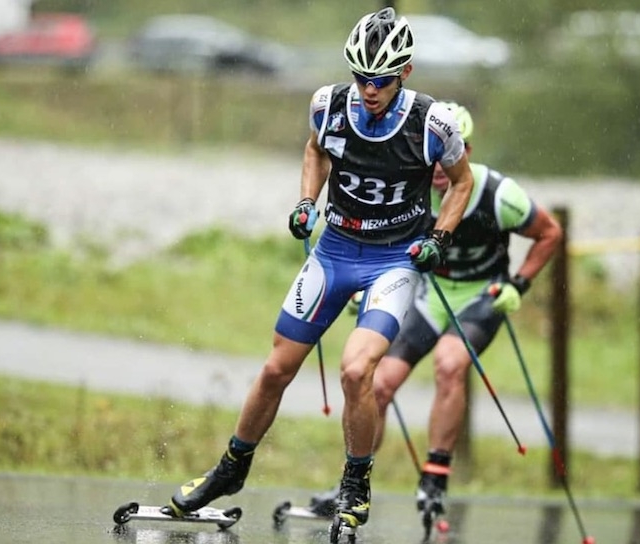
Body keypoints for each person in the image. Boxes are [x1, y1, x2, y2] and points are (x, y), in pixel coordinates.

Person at [167, 7, 475, 530]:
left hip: (392, 263)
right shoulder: (327, 105)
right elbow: (315, 152)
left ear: (405, 72)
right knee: (275, 369)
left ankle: (355, 485)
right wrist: (306, 201)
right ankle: (231, 467)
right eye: (360, 76)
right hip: (333, 252)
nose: (368, 89)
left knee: (357, 370)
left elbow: (461, 182)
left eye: (379, 80)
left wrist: (439, 238)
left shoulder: (433, 123)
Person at [308, 101, 563, 520]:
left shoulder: (499, 194)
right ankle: (352, 485)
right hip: (430, 293)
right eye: (432, 152)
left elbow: (549, 233)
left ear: (468, 149)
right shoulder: (410, 186)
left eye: (450, 152)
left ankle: (435, 478)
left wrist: (519, 283)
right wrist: (368, 287)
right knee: (381, 381)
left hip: (481, 294)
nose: (439, 168)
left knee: (449, 363)